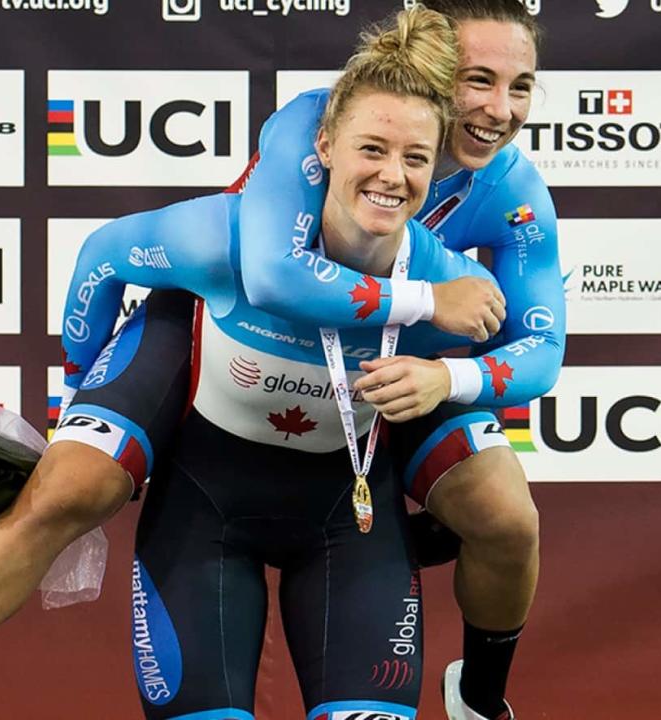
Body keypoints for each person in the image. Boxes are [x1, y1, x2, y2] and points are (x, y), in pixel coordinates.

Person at [0, 6, 501, 720]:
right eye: (371, 149)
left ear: (437, 165)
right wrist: (77, 397)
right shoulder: (230, 240)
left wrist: (454, 404)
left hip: (346, 526)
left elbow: (526, 362)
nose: (391, 176)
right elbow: (104, 254)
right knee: (69, 488)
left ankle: (482, 697)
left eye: (414, 159)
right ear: (326, 144)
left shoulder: (449, 285)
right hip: (204, 509)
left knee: (504, 511)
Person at [235, 2, 562, 718]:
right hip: (263, 352)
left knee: (509, 520)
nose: (499, 111)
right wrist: (422, 302)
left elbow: (543, 350)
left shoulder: (510, 186)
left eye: (521, 86)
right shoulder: (315, 124)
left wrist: (448, 375)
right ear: (433, 64)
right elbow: (269, 276)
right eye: (477, 80)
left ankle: (478, 699)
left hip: (396, 373)